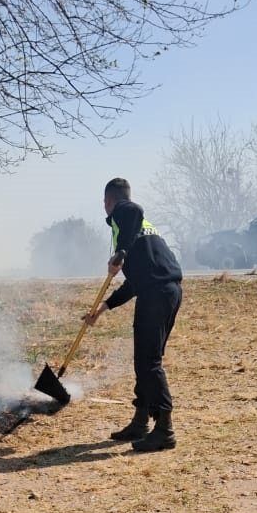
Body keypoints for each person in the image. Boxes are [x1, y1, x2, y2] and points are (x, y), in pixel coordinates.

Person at [84, 177, 182, 452]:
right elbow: (135, 282)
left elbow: (134, 209)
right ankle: (141, 420)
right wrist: (105, 307)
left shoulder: (125, 213)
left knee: (149, 362)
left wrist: (121, 251)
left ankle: (164, 429)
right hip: (165, 290)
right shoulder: (138, 230)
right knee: (145, 361)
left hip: (158, 293)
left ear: (108, 202)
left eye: (106, 204)